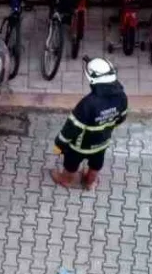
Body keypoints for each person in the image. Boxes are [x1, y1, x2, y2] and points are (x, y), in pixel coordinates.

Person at [50, 57, 129, 190]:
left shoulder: (87, 104)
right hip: (102, 143)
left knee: (71, 163)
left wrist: (59, 143)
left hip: (79, 146)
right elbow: (121, 118)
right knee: (96, 163)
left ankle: (66, 180)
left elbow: (72, 128)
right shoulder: (122, 97)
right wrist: (106, 127)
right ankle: (89, 182)